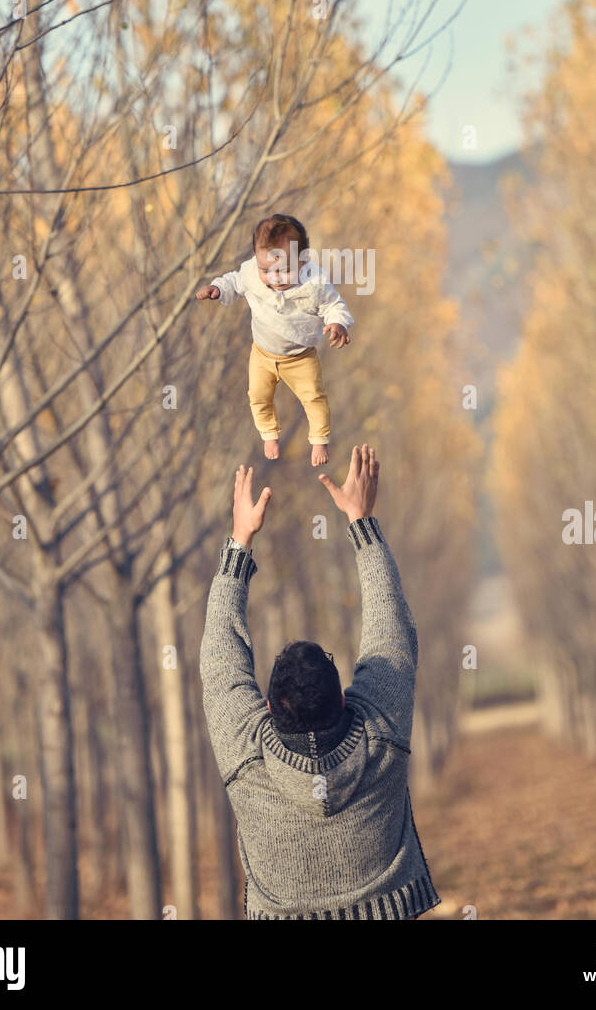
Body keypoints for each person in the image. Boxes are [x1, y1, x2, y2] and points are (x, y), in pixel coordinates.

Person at [199, 444, 440, 920]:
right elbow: (391, 632)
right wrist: (361, 521)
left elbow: (218, 658)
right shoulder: (380, 734)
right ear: (346, 696)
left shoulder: (247, 757)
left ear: (269, 708)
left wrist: (239, 541)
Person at [195, 214, 353, 466]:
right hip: (262, 354)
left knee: (313, 397)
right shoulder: (250, 274)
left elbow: (334, 304)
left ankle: (319, 439)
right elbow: (233, 281)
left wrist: (337, 323)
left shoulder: (314, 282)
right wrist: (218, 289)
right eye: (267, 270)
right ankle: (269, 433)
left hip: (301, 357)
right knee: (257, 395)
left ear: (303, 262)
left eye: (285, 270)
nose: (276, 277)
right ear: (256, 260)